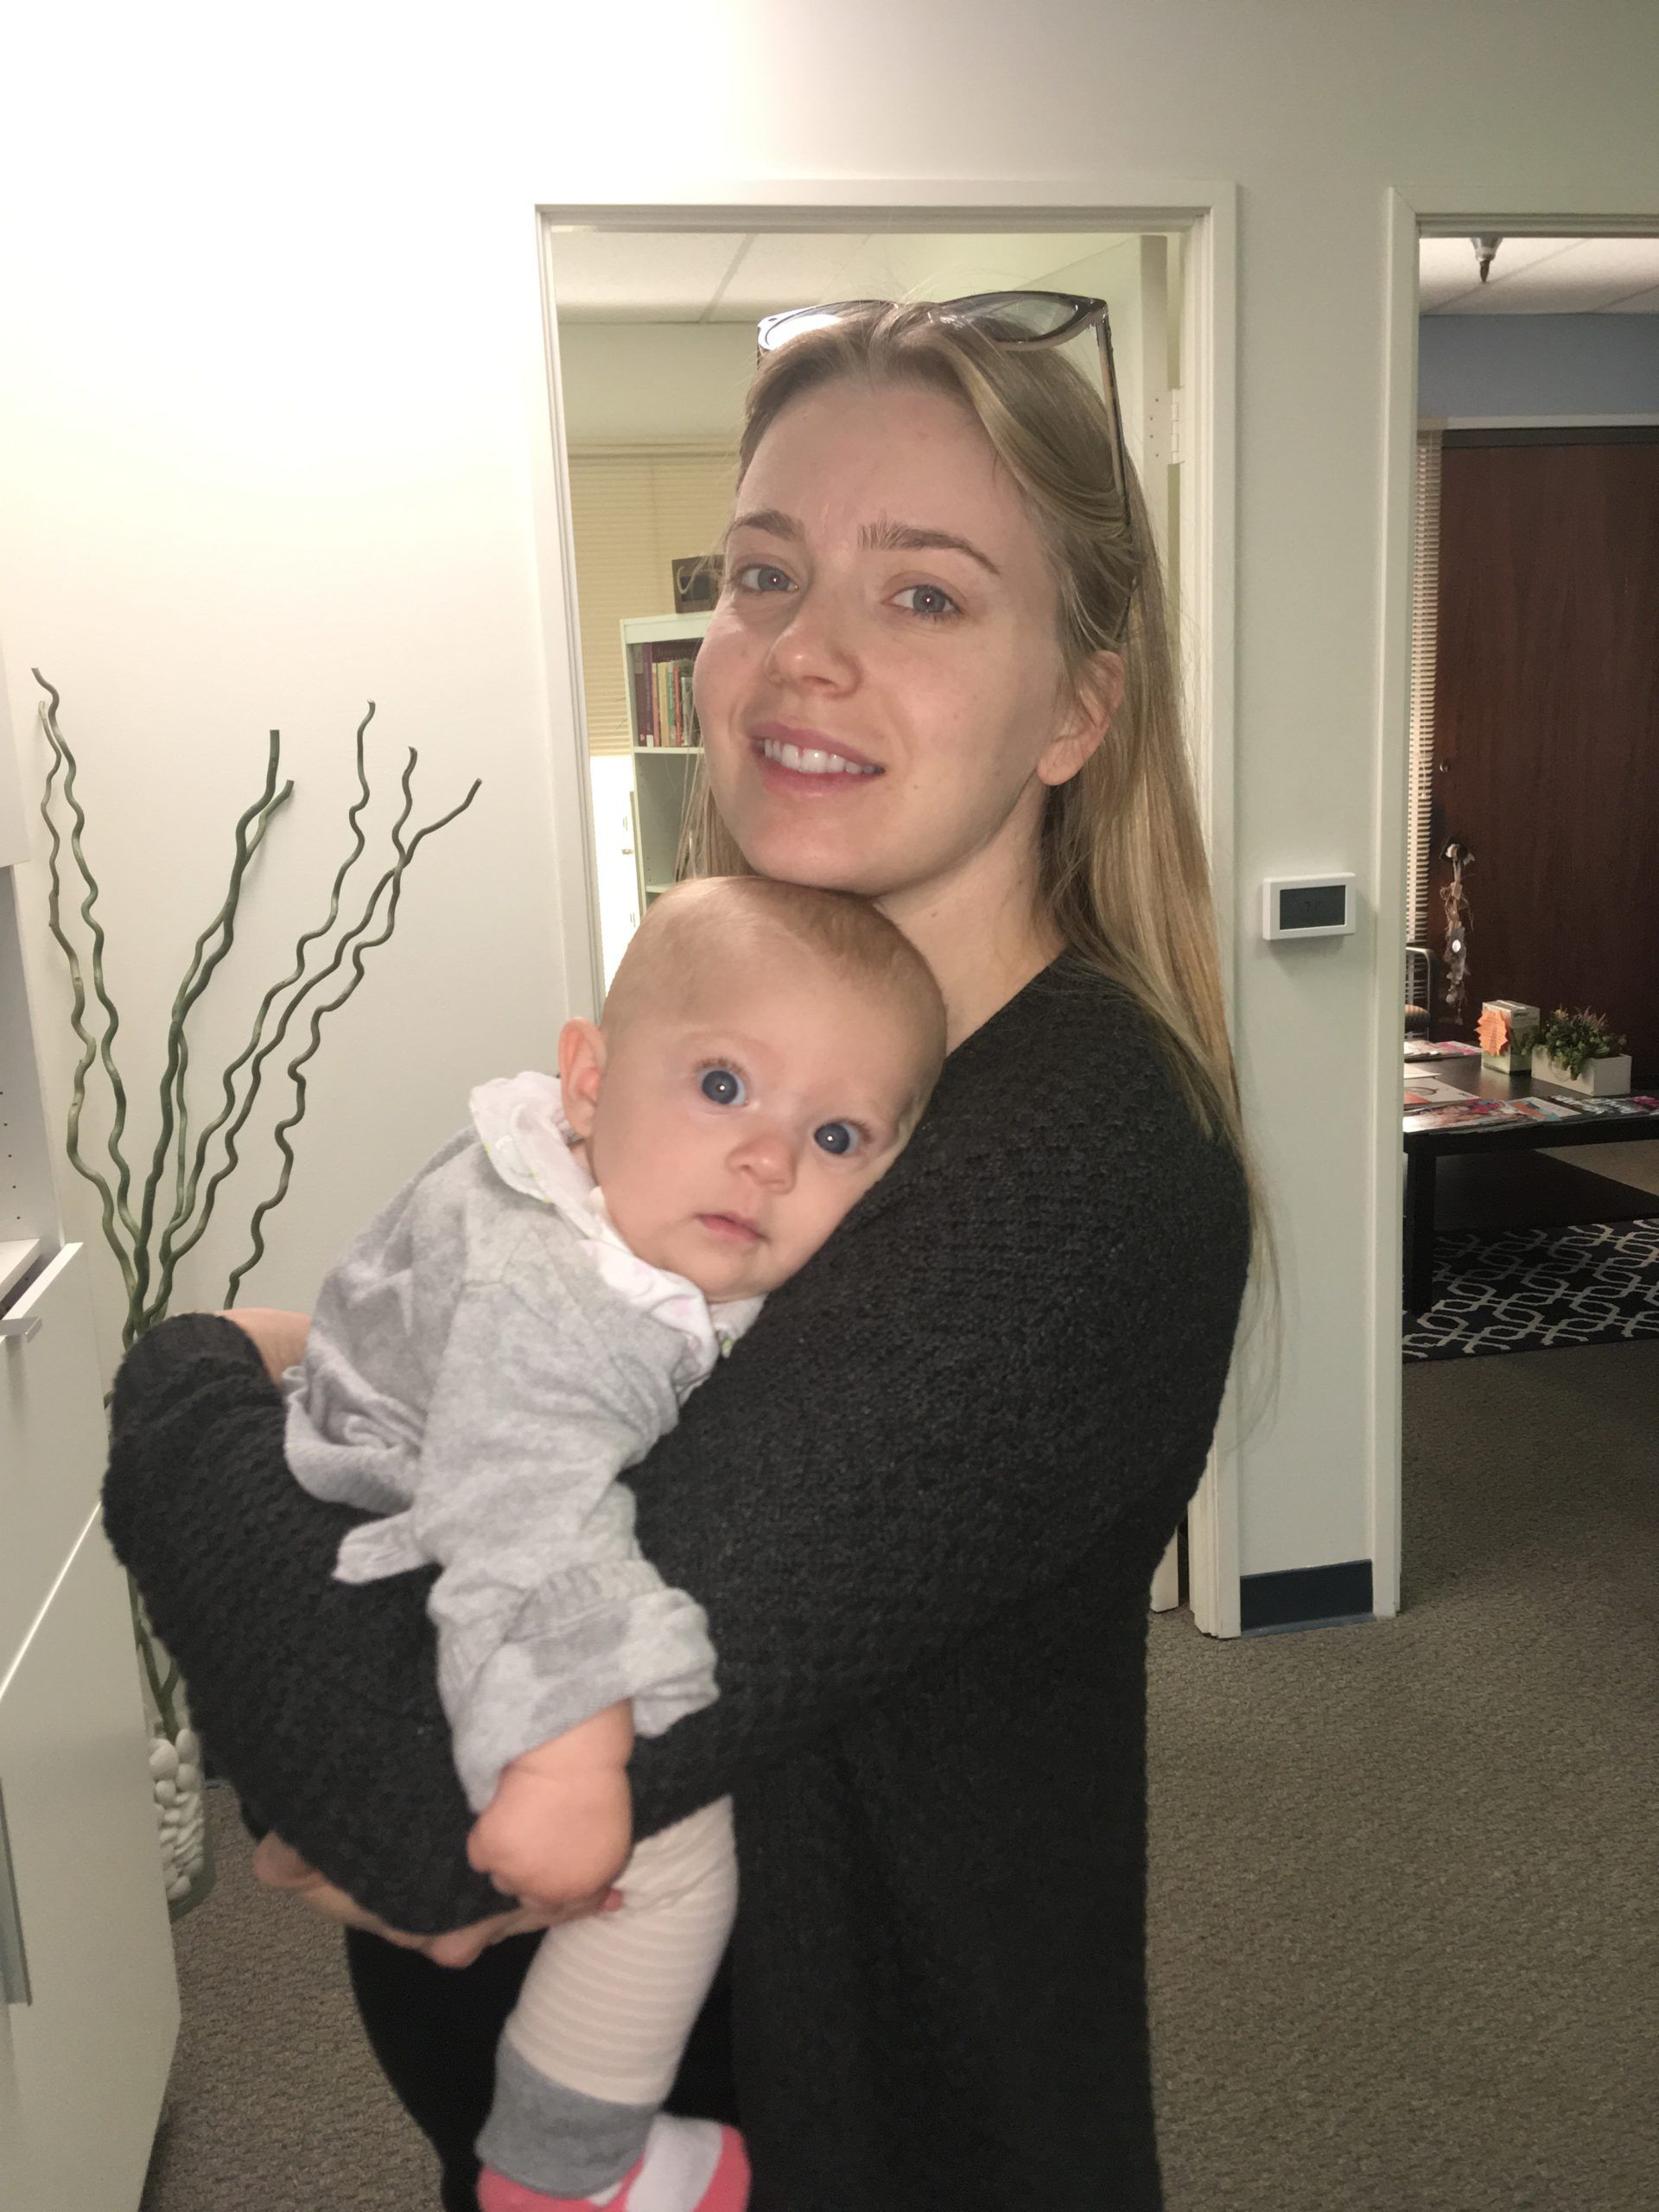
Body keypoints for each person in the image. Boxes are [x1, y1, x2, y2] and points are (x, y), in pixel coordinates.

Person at [103, 295, 1264, 2212]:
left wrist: (194, 1375)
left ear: (1078, 708)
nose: (803, 652)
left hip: (850, 2143)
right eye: (762, 573)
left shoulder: (1074, 1171)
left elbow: (417, 1786)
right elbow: (498, 1437)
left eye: (926, 593)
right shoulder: (788, 1074)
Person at [273, 875, 945, 2211]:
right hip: (419, 1582)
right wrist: (574, 1759)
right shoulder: (576, 1297)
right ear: (588, 1080)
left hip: (384, 1525)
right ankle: (568, 2166)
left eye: (836, 1135)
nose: (768, 1159)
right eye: (722, 1086)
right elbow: (524, 1511)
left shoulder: (559, 1190)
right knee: (675, 1854)